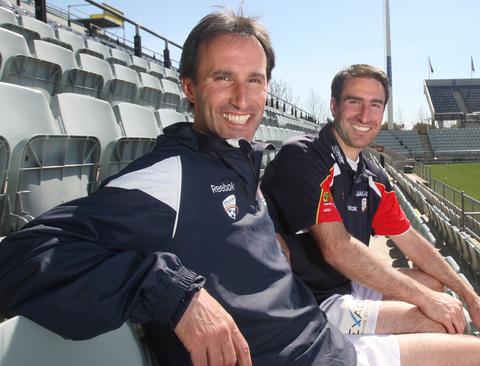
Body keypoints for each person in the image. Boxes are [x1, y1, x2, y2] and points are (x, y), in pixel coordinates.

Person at [0, 11, 359, 366]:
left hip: (326, 341)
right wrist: (169, 290)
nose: (242, 98)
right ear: (189, 87)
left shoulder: (241, 160)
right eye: (223, 77)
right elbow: (18, 258)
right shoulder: (169, 176)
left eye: (255, 80)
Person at [261, 64, 480, 366]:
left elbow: (411, 240)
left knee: (436, 286)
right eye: (354, 102)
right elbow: (337, 249)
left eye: (375, 105)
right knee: (445, 324)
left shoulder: (369, 173)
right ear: (334, 106)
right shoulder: (303, 157)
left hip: (345, 286)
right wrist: (425, 301)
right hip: (313, 303)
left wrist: (469, 295)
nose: (365, 115)